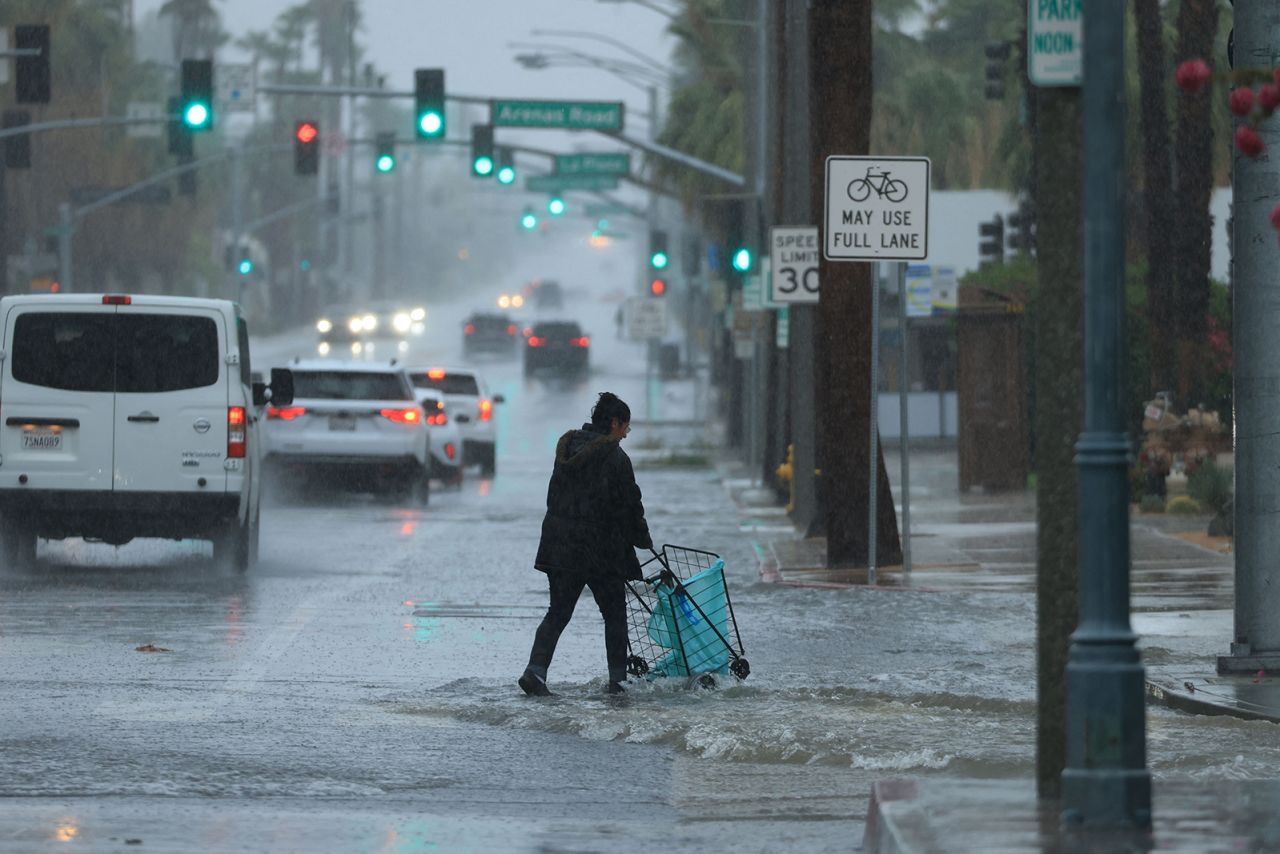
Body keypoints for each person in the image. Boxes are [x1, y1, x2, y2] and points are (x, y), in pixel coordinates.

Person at [520, 392, 653, 696]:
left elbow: (555, 498)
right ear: (614, 423)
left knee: (558, 611)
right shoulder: (616, 459)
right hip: (599, 550)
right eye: (625, 428)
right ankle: (618, 681)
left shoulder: (567, 451)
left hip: (560, 545)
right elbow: (630, 505)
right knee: (615, 614)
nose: (626, 434)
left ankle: (535, 671)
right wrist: (642, 538)